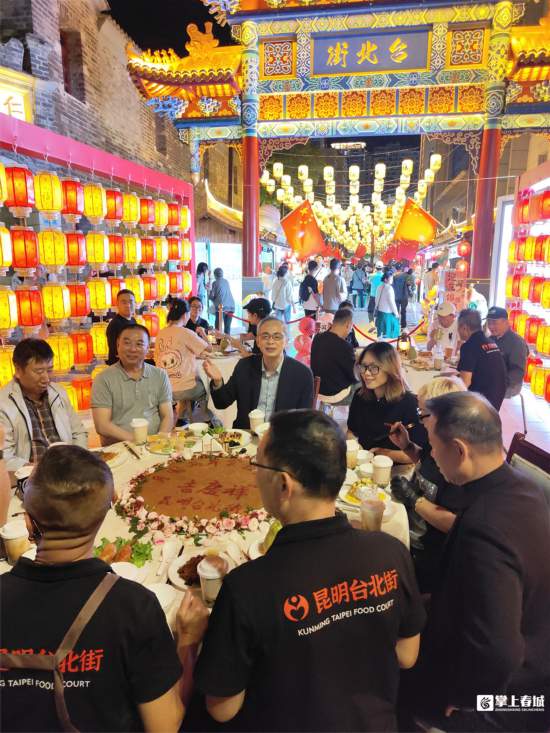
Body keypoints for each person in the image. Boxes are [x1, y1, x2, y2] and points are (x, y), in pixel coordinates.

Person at [192, 410, 426, 732]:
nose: (255, 476)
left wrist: (189, 641)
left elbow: (222, 709)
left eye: (258, 466)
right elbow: (406, 655)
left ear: (283, 484)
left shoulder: (246, 587)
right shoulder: (391, 552)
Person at [0, 444, 208, 732]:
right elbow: (166, 726)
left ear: (27, 521)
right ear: (105, 515)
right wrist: (188, 640)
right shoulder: (133, 607)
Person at [403, 392, 550, 733]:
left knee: (393, 684)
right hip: (536, 653)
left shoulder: (484, 526)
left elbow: (499, 651)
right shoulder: (526, 488)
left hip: (514, 695)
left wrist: (468, 698)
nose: (431, 456)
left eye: (433, 447)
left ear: (459, 450)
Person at [388, 376, 467, 593]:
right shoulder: (437, 443)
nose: (420, 420)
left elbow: (454, 523)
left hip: (427, 555)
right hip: (410, 530)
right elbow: (427, 466)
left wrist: (414, 499)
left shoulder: (458, 461)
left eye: (423, 414)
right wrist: (406, 446)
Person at [203, 316, 313, 429]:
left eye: (277, 337)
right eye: (265, 336)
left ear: (286, 341)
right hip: (247, 434)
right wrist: (217, 381)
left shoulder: (302, 374)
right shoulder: (245, 366)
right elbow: (222, 403)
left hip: (281, 436)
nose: (270, 341)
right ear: (258, 341)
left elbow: (304, 420)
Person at [0, 338, 87, 473]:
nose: (46, 378)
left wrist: (76, 460)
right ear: (18, 370)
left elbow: (79, 432)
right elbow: (5, 457)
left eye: (50, 370)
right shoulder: (4, 404)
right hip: (31, 476)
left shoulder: (59, 392)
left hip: (69, 469)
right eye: (39, 371)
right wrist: (39, 470)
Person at [92, 324, 173, 444]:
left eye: (139, 344)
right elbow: (102, 425)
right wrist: (138, 441)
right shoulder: (103, 379)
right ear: (118, 345)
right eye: (127, 343)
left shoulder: (160, 375)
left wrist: (161, 440)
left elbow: (167, 415)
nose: (133, 349)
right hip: (119, 447)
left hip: (154, 445)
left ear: (148, 348)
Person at [347, 342, 427, 463]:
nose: (366, 373)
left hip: (395, 468)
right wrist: (356, 449)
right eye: (363, 367)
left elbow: (418, 455)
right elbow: (351, 431)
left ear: (389, 369)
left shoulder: (409, 403)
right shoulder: (360, 396)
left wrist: (381, 453)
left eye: (374, 368)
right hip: (364, 464)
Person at [154, 299, 212, 424]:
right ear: (185, 314)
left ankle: (181, 420)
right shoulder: (185, 332)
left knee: (187, 384)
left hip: (164, 388)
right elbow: (209, 349)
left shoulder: (160, 334)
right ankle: (207, 421)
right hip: (185, 388)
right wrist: (203, 333)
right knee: (206, 389)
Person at [456, 308, 506, 410]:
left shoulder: (469, 346)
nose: (458, 331)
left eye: (458, 327)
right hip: (495, 402)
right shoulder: (490, 342)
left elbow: (464, 383)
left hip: (480, 405)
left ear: (464, 328)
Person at [310, 309, 358, 404]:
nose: (350, 331)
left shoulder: (317, 338)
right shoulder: (345, 346)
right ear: (348, 325)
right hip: (335, 395)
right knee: (363, 383)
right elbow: (353, 376)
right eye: (351, 328)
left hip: (317, 390)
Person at [486, 306, 529, 398]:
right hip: (490, 380)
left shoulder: (517, 342)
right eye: (489, 323)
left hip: (509, 385)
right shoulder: (490, 339)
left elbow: (517, 371)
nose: (491, 327)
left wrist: (499, 383)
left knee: (485, 395)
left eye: (494, 323)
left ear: (506, 322)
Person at [105, 289, 137, 365]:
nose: (128, 305)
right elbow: (116, 351)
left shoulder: (133, 320)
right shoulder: (114, 324)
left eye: (131, 302)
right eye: (124, 302)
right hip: (119, 365)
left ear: (135, 303)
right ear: (118, 304)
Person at [374, 270, 400, 339]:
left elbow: (376, 299)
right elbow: (392, 303)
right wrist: (396, 313)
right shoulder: (389, 288)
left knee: (380, 333)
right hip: (387, 313)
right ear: (385, 279)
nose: (392, 280)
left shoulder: (379, 286)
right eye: (391, 278)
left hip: (380, 312)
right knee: (389, 332)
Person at [209, 268, 235, 334]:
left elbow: (211, 296)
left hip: (221, 307)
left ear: (215, 275)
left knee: (218, 328)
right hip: (231, 306)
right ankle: (227, 340)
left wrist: (208, 291)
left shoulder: (215, 283)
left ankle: (218, 340)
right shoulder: (226, 281)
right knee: (227, 328)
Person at [392, 264, 409, 329]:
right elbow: (409, 284)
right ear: (401, 268)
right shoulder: (405, 275)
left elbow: (391, 285)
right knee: (403, 311)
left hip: (396, 296)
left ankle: (396, 325)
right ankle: (403, 326)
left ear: (395, 268)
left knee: (396, 311)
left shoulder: (393, 276)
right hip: (404, 296)